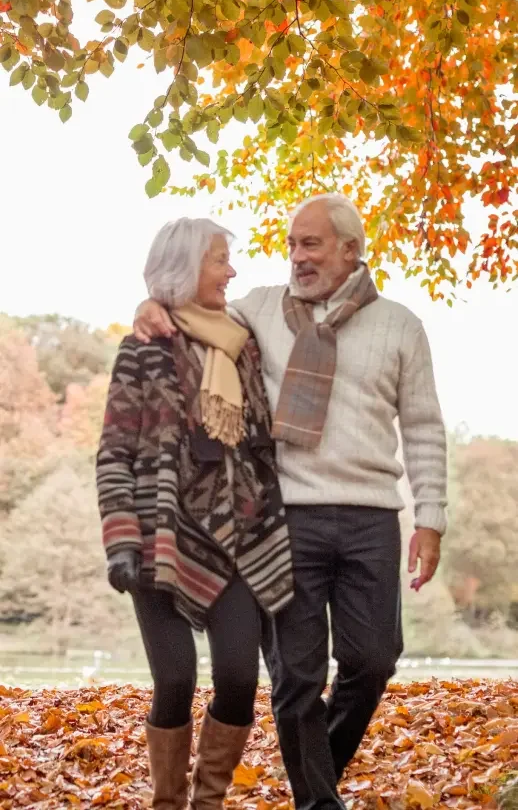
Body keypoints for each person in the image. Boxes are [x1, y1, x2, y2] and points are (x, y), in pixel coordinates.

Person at [133, 194, 447, 810]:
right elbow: (195, 311)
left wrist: (430, 519)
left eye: (311, 245)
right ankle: (317, 802)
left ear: (351, 250)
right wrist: (149, 304)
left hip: (372, 516)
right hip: (285, 520)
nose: (296, 258)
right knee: (297, 676)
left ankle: (314, 770)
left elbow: (425, 428)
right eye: (291, 245)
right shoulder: (261, 309)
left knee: (372, 661)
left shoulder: (401, 326)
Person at [97, 217, 293, 810]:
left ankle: (208, 801)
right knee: (175, 679)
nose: (231, 271)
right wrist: (121, 542)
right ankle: (167, 802)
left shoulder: (246, 340)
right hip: (161, 541)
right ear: (185, 268)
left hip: (239, 537)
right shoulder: (143, 347)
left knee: (239, 677)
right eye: (218, 260)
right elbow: (115, 451)